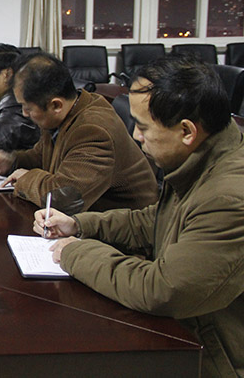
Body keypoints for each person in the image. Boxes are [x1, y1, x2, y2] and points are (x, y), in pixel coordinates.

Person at [34, 55, 244, 376]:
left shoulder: (228, 197)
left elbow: (162, 289)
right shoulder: (200, 157)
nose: (136, 136)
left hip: (208, 359)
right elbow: (155, 222)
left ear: (186, 131)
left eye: (143, 127)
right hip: (184, 336)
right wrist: (79, 224)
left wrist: (76, 253)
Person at [0, 52, 157, 212]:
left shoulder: (94, 130)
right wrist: (12, 161)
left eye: (27, 108)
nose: (24, 114)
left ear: (56, 105)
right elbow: (42, 156)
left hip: (123, 228)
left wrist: (26, 179)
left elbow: (64, 199)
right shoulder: (64, 112)